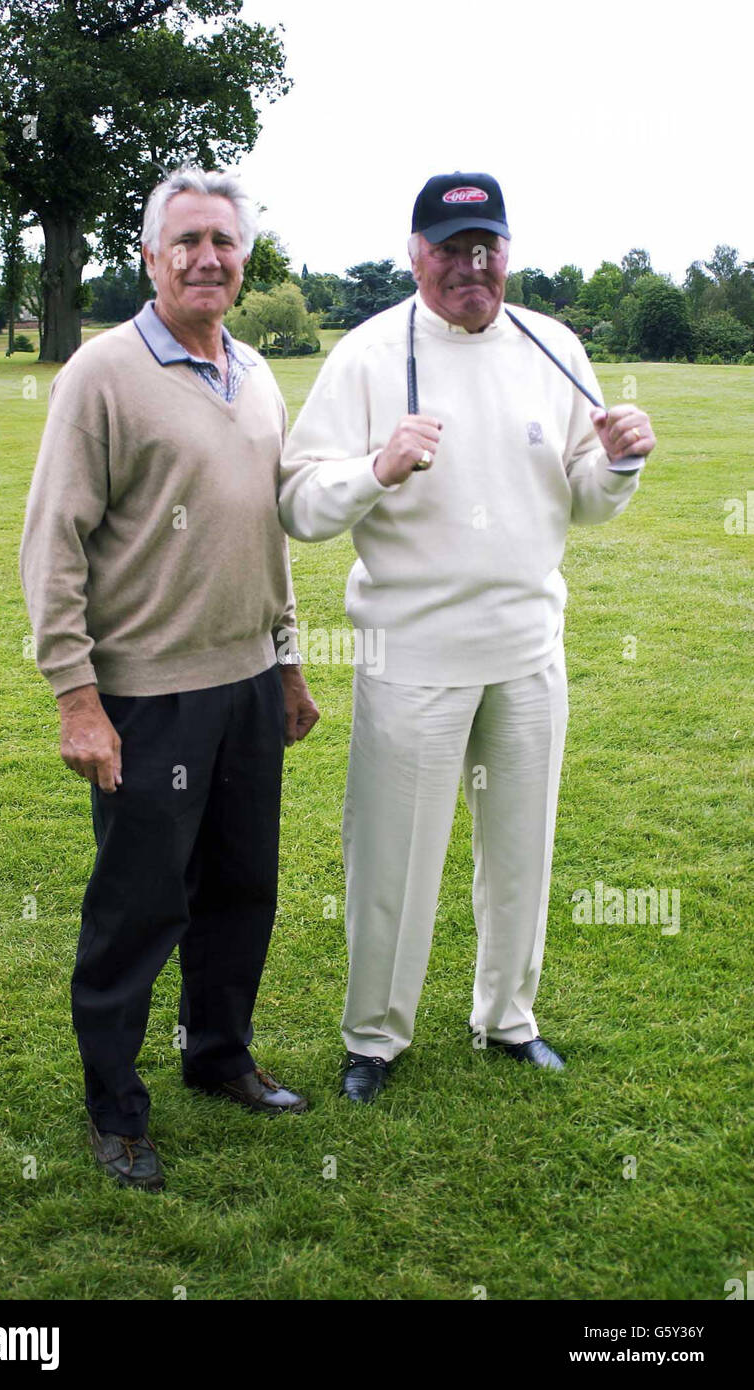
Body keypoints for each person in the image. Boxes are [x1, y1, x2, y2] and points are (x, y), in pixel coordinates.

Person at [278, 171, 656, 1103]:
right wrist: (375, 467)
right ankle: (373, 1039)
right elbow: (296, 501)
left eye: (485, 247)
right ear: (416, 256)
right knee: (394, 859)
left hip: (529, 648)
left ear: (507, 254)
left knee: (522, 851)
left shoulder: (551, 344)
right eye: (449, 250)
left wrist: (620, 462)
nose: (469, 267)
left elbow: (586, 494)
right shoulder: (368, 353)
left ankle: (508, 1020)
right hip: (412, 654)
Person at [20, 167, 319, 1188]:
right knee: (140, 907)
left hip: (244, 686)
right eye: (185, 240)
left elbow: (268, 537)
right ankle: (115, 1109)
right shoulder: (101, 373)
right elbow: (52, 541)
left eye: (223, 241)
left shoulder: (258, 373)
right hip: (146, 697)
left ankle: (219, 1056)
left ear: (244, 259)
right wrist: (77, 696)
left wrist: (287, 663)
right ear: (150, 257)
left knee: (242, 891)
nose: (207, 257)